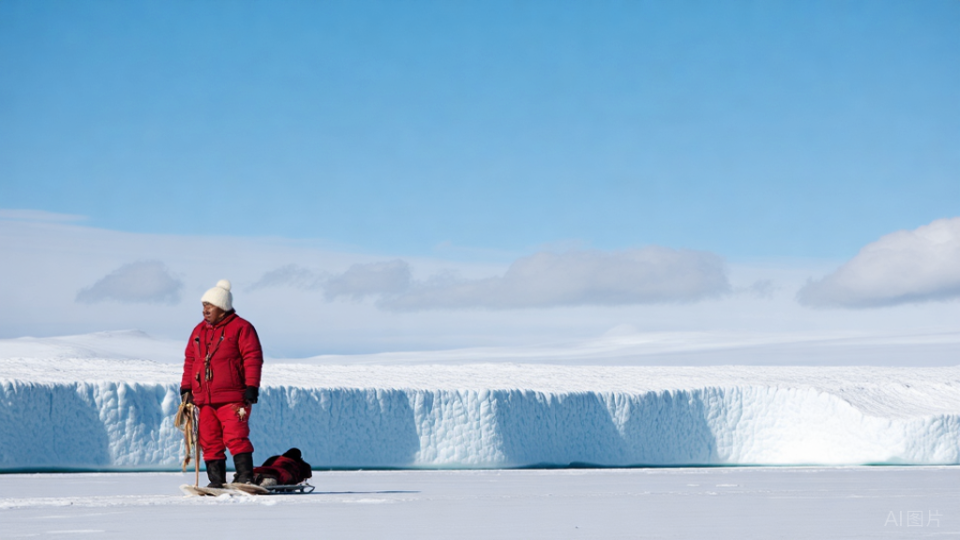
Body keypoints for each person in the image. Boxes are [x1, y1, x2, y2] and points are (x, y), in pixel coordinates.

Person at [180, 279, 263, 487]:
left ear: (223, 307)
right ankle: (216, 482)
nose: (205, 310)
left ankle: (245, 477)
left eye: (209, 306)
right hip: (204, 400)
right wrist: (186, 387)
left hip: (234, 397)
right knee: (209, 441)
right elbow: (190, 360)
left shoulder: (242, 328)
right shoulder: (198, 331)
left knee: (236, 437)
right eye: (203, 306)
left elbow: (253, 357)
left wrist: (252, 386)